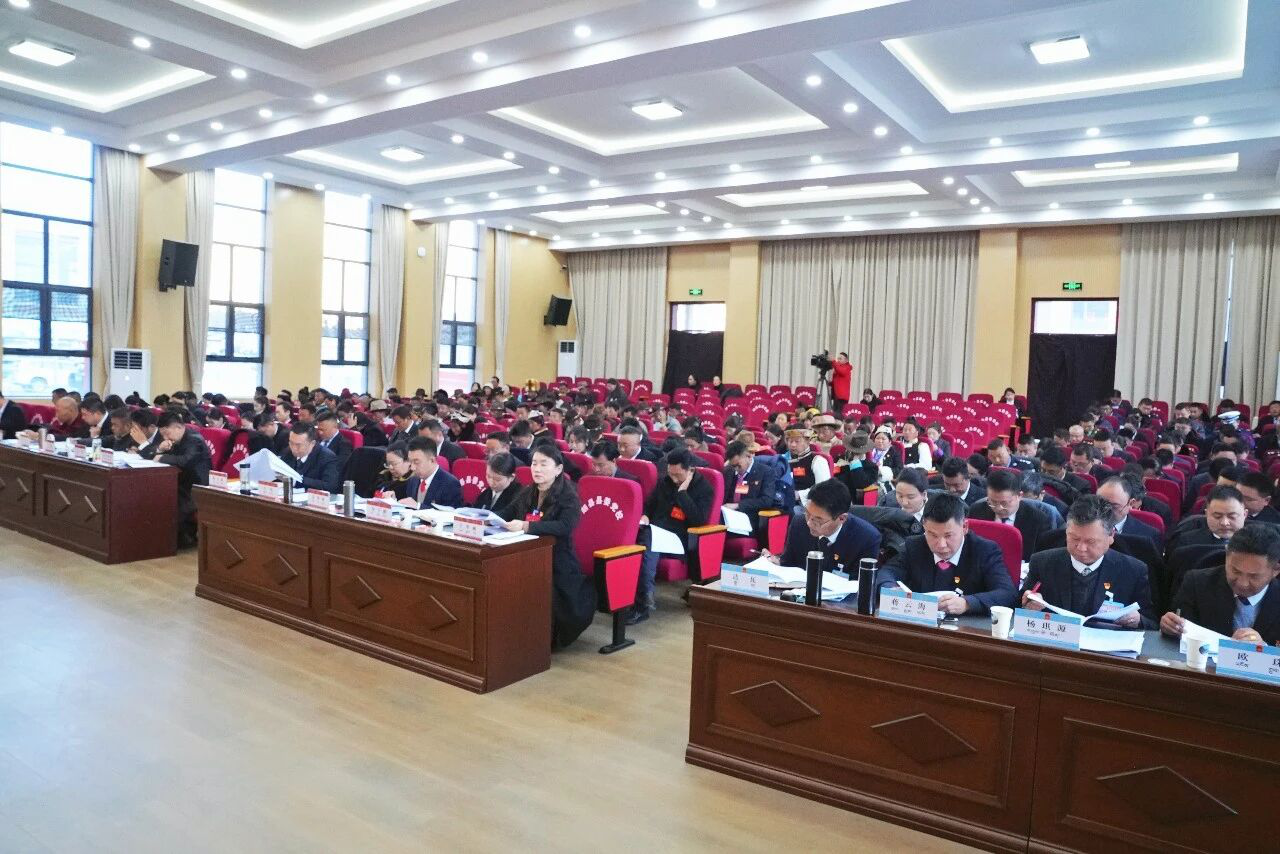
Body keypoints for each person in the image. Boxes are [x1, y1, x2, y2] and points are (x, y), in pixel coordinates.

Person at [500, 445, 596, 649]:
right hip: (527, 555)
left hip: (557, 561)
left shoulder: (569, 495)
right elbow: (507, 512)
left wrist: (527, 526)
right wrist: (484, 518)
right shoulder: (529, 491)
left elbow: (565, 526)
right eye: (534, 463)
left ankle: (542, 640)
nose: (537, 469)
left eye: (544, 464)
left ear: (558, 469)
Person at [1020, 495, 1155, 628]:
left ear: (1111, 536)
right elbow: (1019, 608)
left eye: (1090, 541)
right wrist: (1028, 605)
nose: (1081, 548)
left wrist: (1138, 620)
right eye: (1074, 538)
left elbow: (1151, 622)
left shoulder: (1133, 571)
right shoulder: (1042, 563)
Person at [880, 493, 1017, 615]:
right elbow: (885, 573)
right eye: (933, 535)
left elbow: (1007, 593)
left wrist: (967, 603)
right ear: (924, 527)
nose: (941, 544)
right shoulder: (914, 546)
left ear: (964, 527)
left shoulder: (984, 550)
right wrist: (892, 589)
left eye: (948, 535)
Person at [1162, 522, 1280, 644]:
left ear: (1276, 570)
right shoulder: (1197, 583)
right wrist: (1170, 627)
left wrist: (1264, 649)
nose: (1242, 583)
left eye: (1253, 576)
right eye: (1235, 571)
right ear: (1226, 555)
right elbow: (1179, 634)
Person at [635, 449, 714, 621]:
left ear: (690, 470)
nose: (674, 479)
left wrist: (683, 493)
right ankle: (636, 597)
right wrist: (645, 515)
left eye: (678, 475)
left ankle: (642, 601)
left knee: (647, 541)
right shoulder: (665, 481)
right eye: (671, 474)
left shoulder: (704, 488)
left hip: (680, 540)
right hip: (655, 532)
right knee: (641, 540)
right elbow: (649, 504)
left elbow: (698, 521)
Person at [772, 478, 879, 574]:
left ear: (841, 518)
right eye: (807, 514)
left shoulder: (867, 539)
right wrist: (775, 565)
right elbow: (787, 565)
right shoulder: (799, 523)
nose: (809, 523)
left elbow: (861, 584)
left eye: (818, 520)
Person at [140, 411, 211, 548]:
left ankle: (182, 537)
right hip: (178, 482)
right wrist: (159, 448)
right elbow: (146, 454)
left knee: (169, 499)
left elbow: (186, 461)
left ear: (178, 427)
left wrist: (162, 457)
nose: (165, 438)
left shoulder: (194, 440)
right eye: (162, 435)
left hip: (195, 487)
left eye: (167, 434)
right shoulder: (172, 439)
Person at [968, 468, 1053, 561]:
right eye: (993, 502)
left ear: (1019, 496)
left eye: (1004, 503)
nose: (999, 508)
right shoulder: (976, 511)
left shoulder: (1038, 520)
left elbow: (1041, 557)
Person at [722, 440, 777, 530]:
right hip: (728, 515)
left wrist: (738, 505)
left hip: (750, 517)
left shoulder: (765, 472)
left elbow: (766, 501)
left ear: (749, 456)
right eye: (733, 466)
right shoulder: (728, 471)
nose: (736, 469)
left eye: (738, 465)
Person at [1096, 475, 1162, 545]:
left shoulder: (1148, 535)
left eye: (1114, 506)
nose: (1105, 510)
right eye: (1100, 503)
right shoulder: (1087, 524)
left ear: (1130, 503)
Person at [401, 436, 463, 508]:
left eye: (416, 462)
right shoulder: (413, 480)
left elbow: (451, 512)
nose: (412, 467)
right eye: (410, 462)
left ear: (432, 460)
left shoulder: (450, 483)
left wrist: (418, 506)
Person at [280, 423, 342, 493]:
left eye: (298, 445)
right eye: (291, 443)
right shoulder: (288, 452)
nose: (293, 448)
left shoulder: (327, 457)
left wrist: (297, 481)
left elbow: (330, 486)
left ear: (312, 443)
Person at [782, 427, 830, 504]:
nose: (793, 445)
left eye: (797, 441)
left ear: (807, 441)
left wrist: (799, 494)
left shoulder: (818, 460)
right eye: (790, 441)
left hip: (810, 504)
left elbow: (823, 488)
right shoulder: (784, 460)